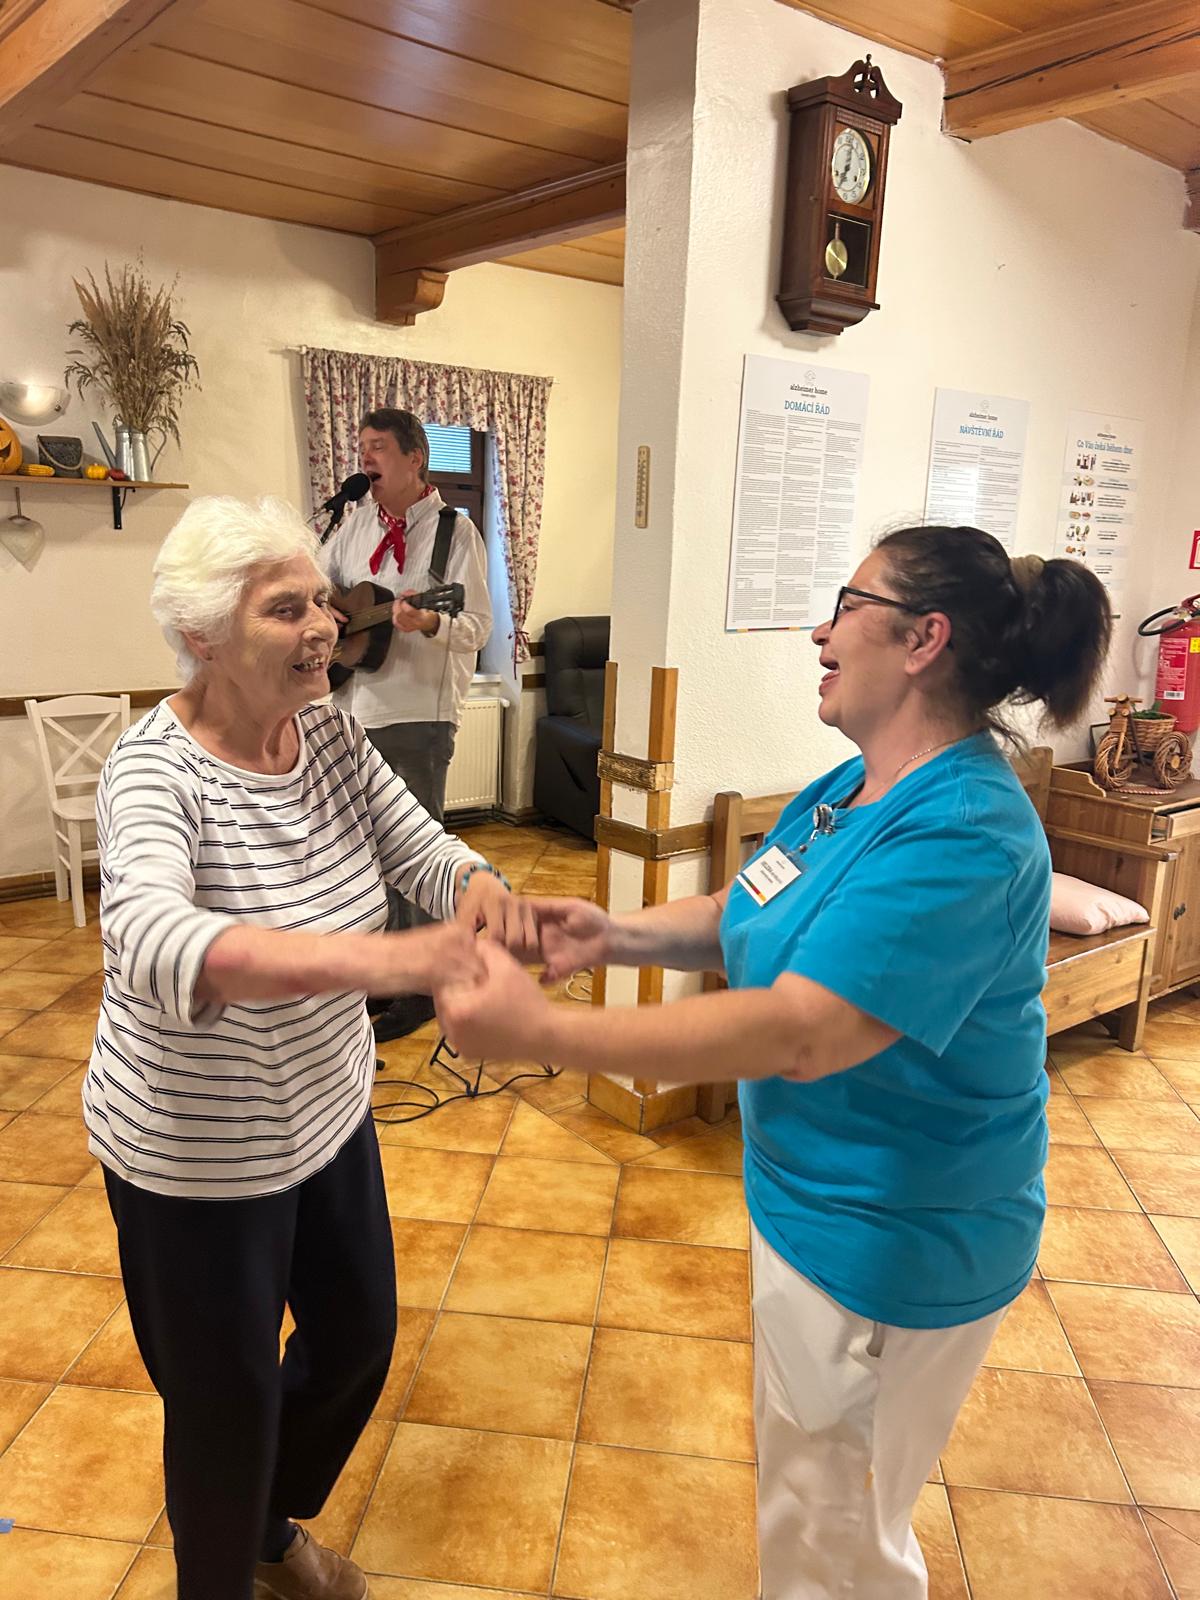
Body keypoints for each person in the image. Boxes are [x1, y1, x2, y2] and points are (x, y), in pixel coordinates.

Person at [434, 526, 1112, 1600]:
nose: (818, 631)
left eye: (847, 604)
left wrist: (544, 1034)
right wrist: (607, 934)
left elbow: (802, 1030)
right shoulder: (853, 789)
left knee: (837, 1545)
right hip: (807, 1209)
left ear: (924, 639)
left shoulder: (968, 832)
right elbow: (738, 908)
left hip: (895, 1246)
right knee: (810, 1500)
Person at [84, 496, 528, 1600]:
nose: (324, 625)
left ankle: (260, 1519)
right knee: (221, 1409)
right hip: (194, 1159)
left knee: (357, 1339)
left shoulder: (326, 731)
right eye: (287, 609)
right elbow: (152, 937)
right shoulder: (154, 772)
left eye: (321, 601)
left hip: (326, 1118)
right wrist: (391, 960)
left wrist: (479, 887)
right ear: (202, 636)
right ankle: (237, 1546)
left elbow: (414, 844)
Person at [326, 408, 493, 1040]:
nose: (365, 458)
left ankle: (423, 985)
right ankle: (389, 972)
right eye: (361, 446)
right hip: (353, 711)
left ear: (415, 457)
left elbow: (477, 626)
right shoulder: (353, 523)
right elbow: (320, 585)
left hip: (419, 712)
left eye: (378, 447)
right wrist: (332, 612)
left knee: (415, 853)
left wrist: (429, 622)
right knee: (366, 852)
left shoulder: (455, 532)